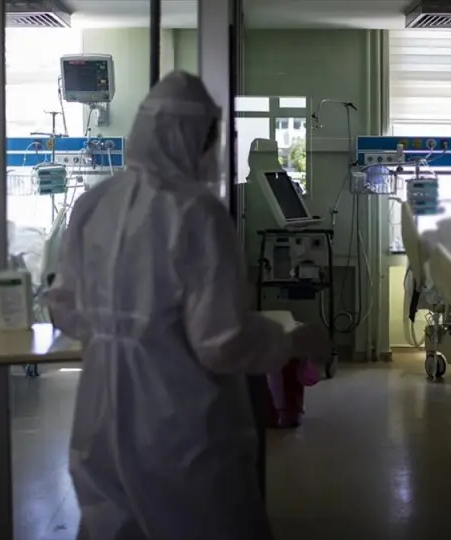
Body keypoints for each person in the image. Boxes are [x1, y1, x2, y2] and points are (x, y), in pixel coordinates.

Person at [46, 71, 331, 540]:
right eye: (211, 139)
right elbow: (222, 343)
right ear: (192, 137)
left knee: (113, 526)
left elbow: (65, 309)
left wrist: (122, 336)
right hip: (178, 416)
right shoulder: (197, 212)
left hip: (100, 413)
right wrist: (292, 340)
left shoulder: (94, 203)